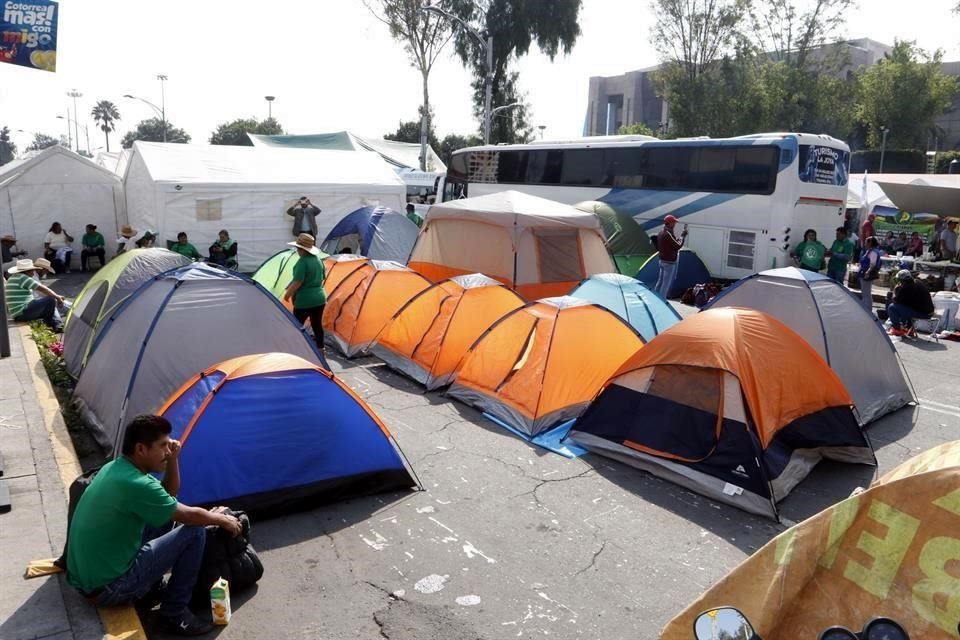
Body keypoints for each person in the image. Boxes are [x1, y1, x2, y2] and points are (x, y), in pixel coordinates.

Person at [66, 415, 242, 636]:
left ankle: (151, 588)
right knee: (196, 531)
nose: (167, 451)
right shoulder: (135, 483)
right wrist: (219, 518)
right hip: (108, 589)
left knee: (168, 515)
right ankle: (175, 613)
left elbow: (168, 496)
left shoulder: (118, 468)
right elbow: (187, 515)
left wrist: (173, 460)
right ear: (141, 449)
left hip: (89, 580)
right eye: (162, 447)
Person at [283, 233, 326, 350]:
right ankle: (321, 349)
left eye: (297, 248)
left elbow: (298, 282)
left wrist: (287, 295)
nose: (297, 250)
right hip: (320, 298)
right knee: (317, 325)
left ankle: (295, 349)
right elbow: (321, 277)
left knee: (296, 326)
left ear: (301, 249)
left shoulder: (302, 262)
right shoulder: (318, 260)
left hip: (305, 300)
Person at [4, 259, 63, 331]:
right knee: (50, 300)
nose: (33, 273)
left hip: (18, 314)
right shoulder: (23, 278)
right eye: (32, 270)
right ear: (27, 271)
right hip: (22, 312)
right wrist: (57, 297)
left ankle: (56, 325)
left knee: (49, 306)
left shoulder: (14, 277)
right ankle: (55, 325)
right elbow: (43, 289)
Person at [886, 270, 934, 336]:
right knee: (906, 308)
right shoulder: (918, 282)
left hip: (922, 314)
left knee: (892, 307)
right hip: (928, 312)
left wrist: (895, 291)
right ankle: (908, 329)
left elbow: (895, 301)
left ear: (901, 280)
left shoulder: (906, 287)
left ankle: (897, 330)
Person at [654, 215, 687, 298]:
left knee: (660, 282)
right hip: (669, 263)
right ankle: (662, 302)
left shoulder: (661, 233)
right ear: (670, 223)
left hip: (662, 261)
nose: (675, 224)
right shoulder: (668, 234)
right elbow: (677, 245)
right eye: (674, 222)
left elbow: (673, 243)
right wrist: (683, 236)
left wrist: (679, 238)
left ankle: (655, 298)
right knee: (665, 285)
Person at [858, 236, 881, 315]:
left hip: (867, 274)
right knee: (865, 292)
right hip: (864, 272)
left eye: (866, 242)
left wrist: (867, 272)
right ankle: (865, 308)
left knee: (866, 293)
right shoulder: (869, 251)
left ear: (870, 243)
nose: (865, 244)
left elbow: (872, 264)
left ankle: (867, 310)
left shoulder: (873, 252)